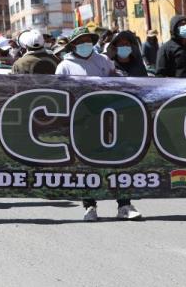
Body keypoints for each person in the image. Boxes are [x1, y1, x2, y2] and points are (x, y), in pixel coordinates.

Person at [55, 27, 141, 221]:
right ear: (73, 44)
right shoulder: (64, 67)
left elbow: (117, 81)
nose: (85, 44)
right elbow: (60, 94)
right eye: (80, 41)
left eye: (88, 40)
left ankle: (124, 205)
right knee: (87, 165)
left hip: (109, 119)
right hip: (82, 122)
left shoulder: (103, 61)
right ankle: (90, 206)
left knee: (119, 162)